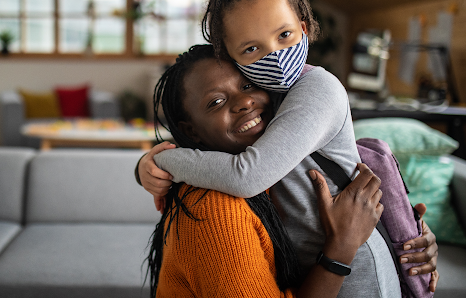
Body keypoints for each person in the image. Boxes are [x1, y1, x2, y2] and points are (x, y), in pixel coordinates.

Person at [138, 0, 439, 297]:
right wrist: (147, 164)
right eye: (252, 49)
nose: (276, 56)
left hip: (358, 263)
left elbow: (246, 176)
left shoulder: (316, 89)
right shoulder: (269, 97)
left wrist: (165, 161)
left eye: (284, 35)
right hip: (318, 266)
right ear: (233, 55)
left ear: (304, 27)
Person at [147, 44, 385, 297]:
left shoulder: (273, 173)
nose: (244, 102)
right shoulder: (213, 209)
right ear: (192, 131)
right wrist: (341, 247)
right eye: (216, 102)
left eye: (248, 85)